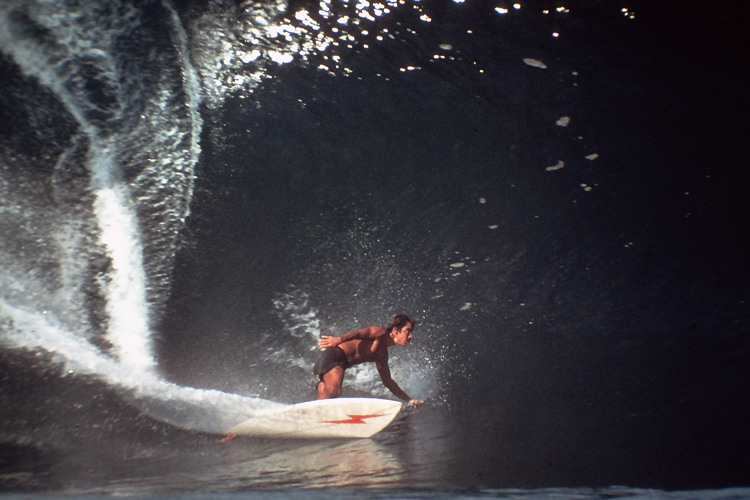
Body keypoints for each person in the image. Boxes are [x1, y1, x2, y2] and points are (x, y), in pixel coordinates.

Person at [314, 314, 424, 405]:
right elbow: (358, 333)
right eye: (407, 331)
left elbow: (388, 382)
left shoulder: (382, 355)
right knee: (334, 392)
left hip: (341, 363)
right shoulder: (379, 333)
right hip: (335, 355)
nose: (410, 336)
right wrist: (339, 339)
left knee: (325, 401)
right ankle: (320, 385)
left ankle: (317, 414)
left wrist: (409, 400)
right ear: (395, 331)